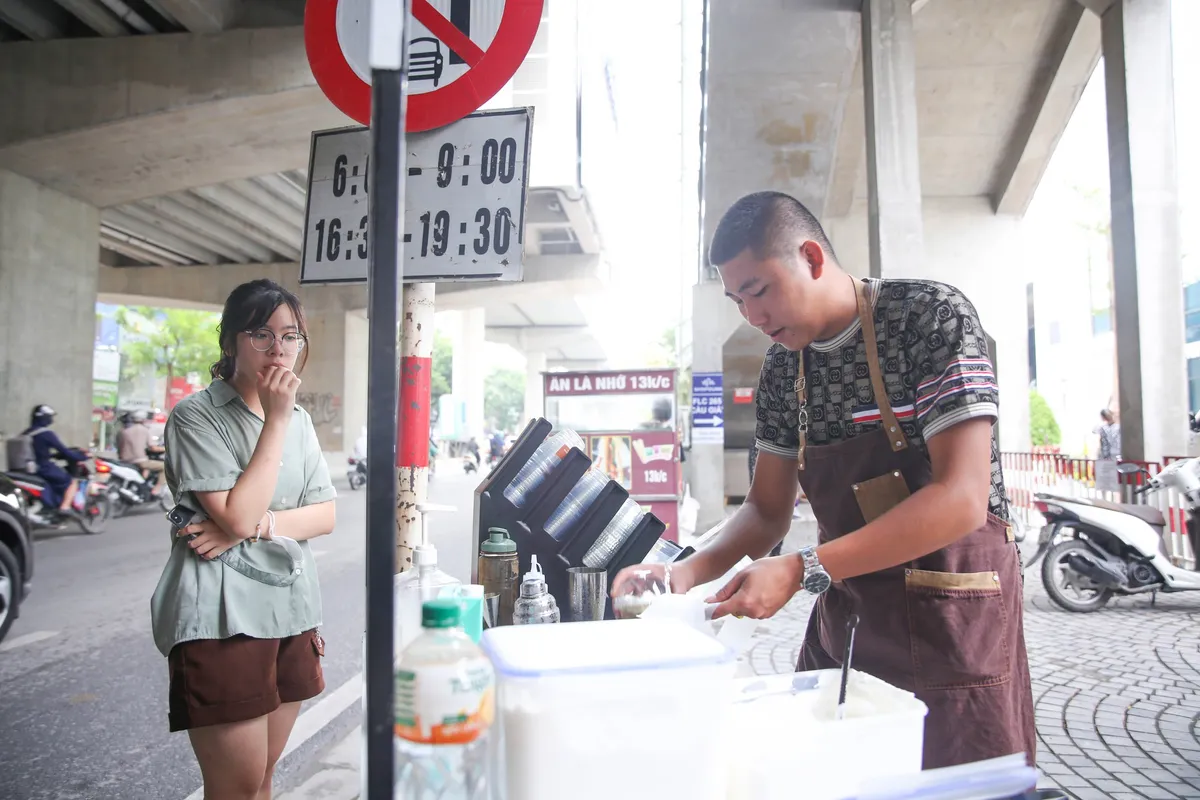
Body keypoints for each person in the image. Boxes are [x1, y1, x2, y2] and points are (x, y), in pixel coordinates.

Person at [614, 192, 1035, 770]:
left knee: (953, 775)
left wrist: (803, 568)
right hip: (854, 610)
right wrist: (680, 572)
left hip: (952, 613)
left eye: (759, 291)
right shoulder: (784, 368)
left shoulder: (929, 316)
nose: (752, 317)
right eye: (737, 301)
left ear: (812, 256)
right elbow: (766, 512)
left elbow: (961, 499)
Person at [150, 279, 337, 800]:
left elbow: (323, 515)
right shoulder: (198, 416)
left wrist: (258, 526)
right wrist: (274, 421)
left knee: (263, 781)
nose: (279, 349)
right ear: (229, 341)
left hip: (292, 612)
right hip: (221, 618)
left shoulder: (300, 421)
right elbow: (235, 514)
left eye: (290, 335)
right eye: (261, 333)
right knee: (234, 785)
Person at [22, 404, 87, 514]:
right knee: (71, 481)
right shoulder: (46, 434)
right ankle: (65, 507)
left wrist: (52, 456)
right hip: (43, 468)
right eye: (50, 417)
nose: (51, 420)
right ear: (44, 417)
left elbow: (37, 452)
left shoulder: (25, 433)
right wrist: (83, 456)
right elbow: (65, 452)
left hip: (26, 469)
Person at [116, 410, 166, 494]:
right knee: (165, 467)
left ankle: (142, 486)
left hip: (123, 460)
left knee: (146, 468)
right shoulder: (144, 430)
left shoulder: (122, 431)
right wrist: (166, 449)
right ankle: (157, 489)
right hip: (139, 461)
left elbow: (118, 446)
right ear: (143, 419)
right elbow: (153, 448)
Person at [1093, 409, 1121, 494]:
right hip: (1105, 457)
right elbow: (1094, 430)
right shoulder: (1102, 427)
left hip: (1115, 456)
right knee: (1104, 481)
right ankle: (1104, 499)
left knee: (1114, 480)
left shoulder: (1118, 427)